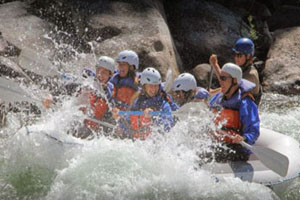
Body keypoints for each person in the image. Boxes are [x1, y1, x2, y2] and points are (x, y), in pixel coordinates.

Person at [208, 63, 260, 162]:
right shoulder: (217, 98)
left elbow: (254, 131)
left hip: (237, 149)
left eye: (223, 78)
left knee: (206, 155)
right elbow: (206, 115)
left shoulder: (246, 103)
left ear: (235, 80)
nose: (220, 82)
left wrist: (243, 138)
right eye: (220, 78)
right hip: (219, 144)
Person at [113, 67, 174, 140]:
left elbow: (168, 125)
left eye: (156, 85)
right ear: (144, 86)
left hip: (155, 144)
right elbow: (128, 121)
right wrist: (120, 121)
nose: (154, 89)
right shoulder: (138, 101)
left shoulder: (163, 103)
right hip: (138, 143)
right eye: (151, 85)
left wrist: (153, 118)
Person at [209, 37, 262, 105]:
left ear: (248, 56)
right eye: (235, 54)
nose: (236, 58)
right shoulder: (240, 69)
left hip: (246, 111)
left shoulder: (251, 74)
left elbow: (230, 87)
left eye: (239, 55)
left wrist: (212, 92)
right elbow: (226, 80)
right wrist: (214, 64)